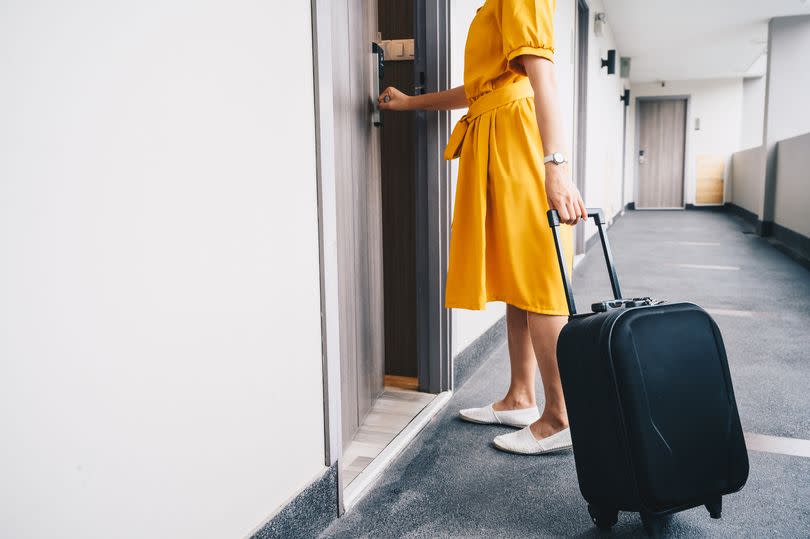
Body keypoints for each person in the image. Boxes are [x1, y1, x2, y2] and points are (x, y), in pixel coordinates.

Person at [378, 0, 585, 455]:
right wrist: (412, 102)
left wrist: (555, 166)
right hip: (497, 140)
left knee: (539, 277)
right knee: (517, 278)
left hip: (520, 145)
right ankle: (520, 398)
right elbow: (479, 91)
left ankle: (559, 417)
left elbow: (541, 77)